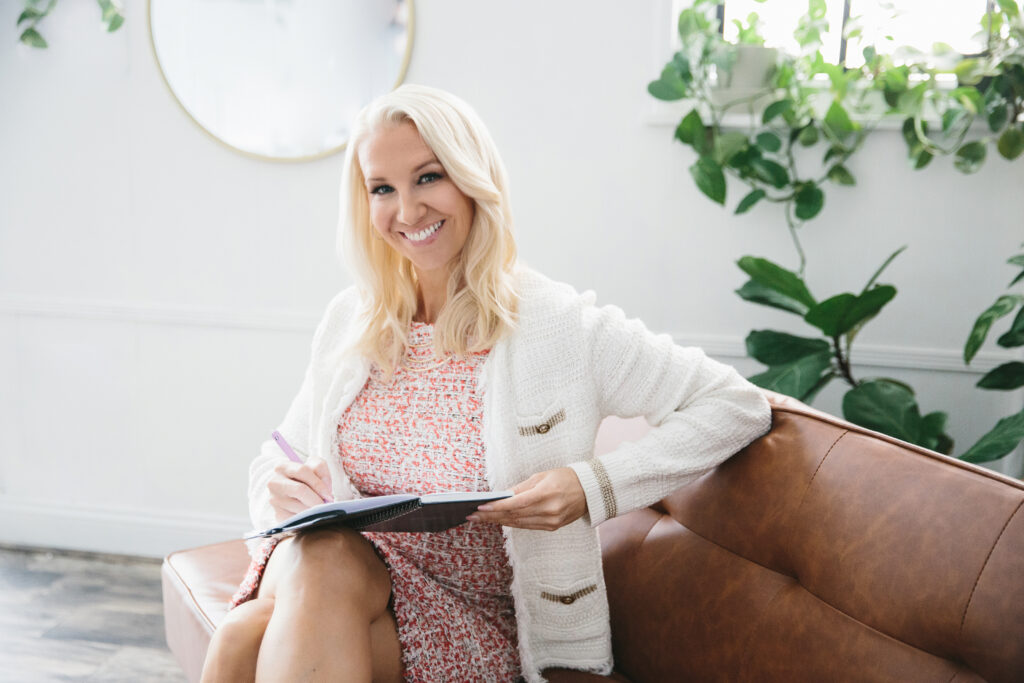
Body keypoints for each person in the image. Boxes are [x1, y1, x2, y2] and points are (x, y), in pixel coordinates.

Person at [199, 84, 772, 683]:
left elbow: (735, 404)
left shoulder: (557, 326)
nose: (408, 211)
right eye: (383, 189)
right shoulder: (355, 320)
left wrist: (590, 487)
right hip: (350, 588)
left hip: (477, 620)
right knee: (300, 575)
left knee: (253, 629)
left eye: (428, 177)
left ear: (472, 176)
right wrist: (283, 486)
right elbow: (278, 454)